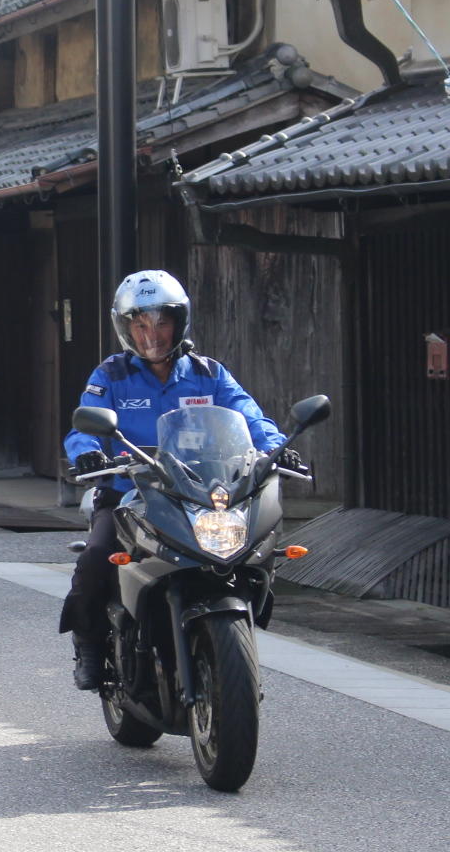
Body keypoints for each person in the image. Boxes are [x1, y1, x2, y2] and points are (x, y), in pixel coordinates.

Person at [60, 270, 295, 690]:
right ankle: (89, 643)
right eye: (140, 323)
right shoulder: (111, 375)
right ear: (126, 327)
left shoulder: (209, 373)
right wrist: (88, 452)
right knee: (96, 557)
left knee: (250, 550)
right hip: (129, 495)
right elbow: (83, 427)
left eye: (161, 321)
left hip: (200, 494)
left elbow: (248, 415)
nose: (152, 333)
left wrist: (276, 447)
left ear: (179, 322)